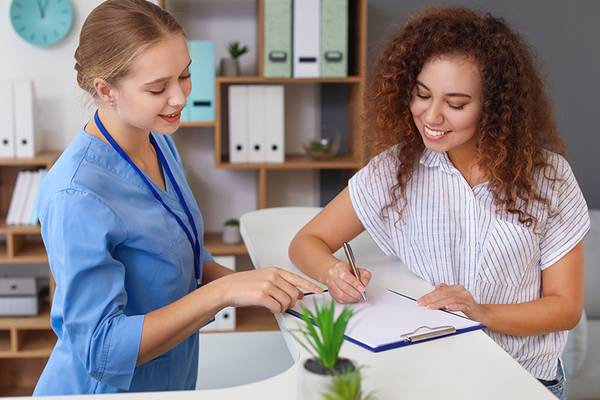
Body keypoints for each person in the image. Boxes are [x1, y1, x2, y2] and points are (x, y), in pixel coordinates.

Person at [288, 6, 589, 399]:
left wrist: (482, 313)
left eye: (456, 104)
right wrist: (333, 273)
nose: (431, 116)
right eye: (422, 94)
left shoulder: (548, 177)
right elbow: (306, 242)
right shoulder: (396, 169)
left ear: (495, 107)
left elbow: (565, 307)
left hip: (523, 382)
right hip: (427, 379)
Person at [34, 0, 320, 395]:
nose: (179, 97)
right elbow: (101, 350)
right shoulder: (76, 195)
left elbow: (181, 257)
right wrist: (222, 293)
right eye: (157, 87)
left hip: (170, 381)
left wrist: (258, 285)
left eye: (184, 75)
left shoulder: (158, 143)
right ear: (106, 90)